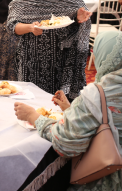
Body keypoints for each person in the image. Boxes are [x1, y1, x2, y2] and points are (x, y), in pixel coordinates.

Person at [14, 31, 122, 191]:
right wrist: (71, 109)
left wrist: (34, 116)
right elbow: (102, 118)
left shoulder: (98, 94)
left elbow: (65, 142)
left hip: (102, 177)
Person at [7, 0, 92, 100]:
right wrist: (31, 28)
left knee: (60, 107)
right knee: (34, 104)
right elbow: (12, 26)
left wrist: (79, 17)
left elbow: (77, 16)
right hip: (33, 60)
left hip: (63, 59)